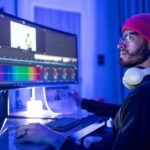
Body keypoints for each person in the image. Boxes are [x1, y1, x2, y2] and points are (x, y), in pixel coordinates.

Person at [15, 13, 150, 150]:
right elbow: (122, 112)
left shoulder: (143, 95)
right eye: (123, 37)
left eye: (130, 37)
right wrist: (82, 102)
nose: (120, 44)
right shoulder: (142, 95)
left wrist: (54, 138)